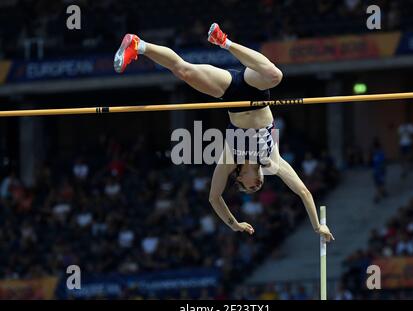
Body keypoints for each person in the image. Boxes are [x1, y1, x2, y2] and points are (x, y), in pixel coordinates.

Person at [114, 23, 334, 242]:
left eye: (250, 187)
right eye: (259, 186)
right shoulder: (271, 161)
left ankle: (139, 45)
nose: (257, 185)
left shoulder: (230, 159)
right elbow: (304, 192)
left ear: (239, 177)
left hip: (231, 94)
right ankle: (223, 41)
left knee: (184, 71)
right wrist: (318, 227)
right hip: (256, 91)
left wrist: (234, 223)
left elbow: (214, 197)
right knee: (274, 76)